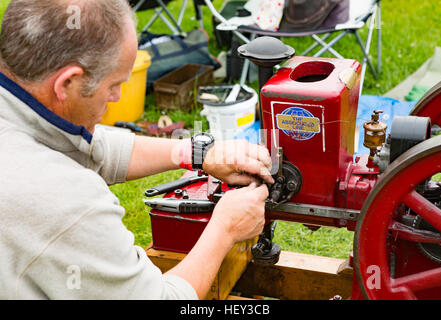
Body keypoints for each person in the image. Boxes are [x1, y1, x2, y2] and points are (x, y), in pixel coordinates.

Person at [0, 0, 273, 299]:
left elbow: (86, 145)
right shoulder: (66, 202)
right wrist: (225, 229)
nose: (116, 98)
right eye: (113, 85)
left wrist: (196, 153)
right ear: (67, 83)